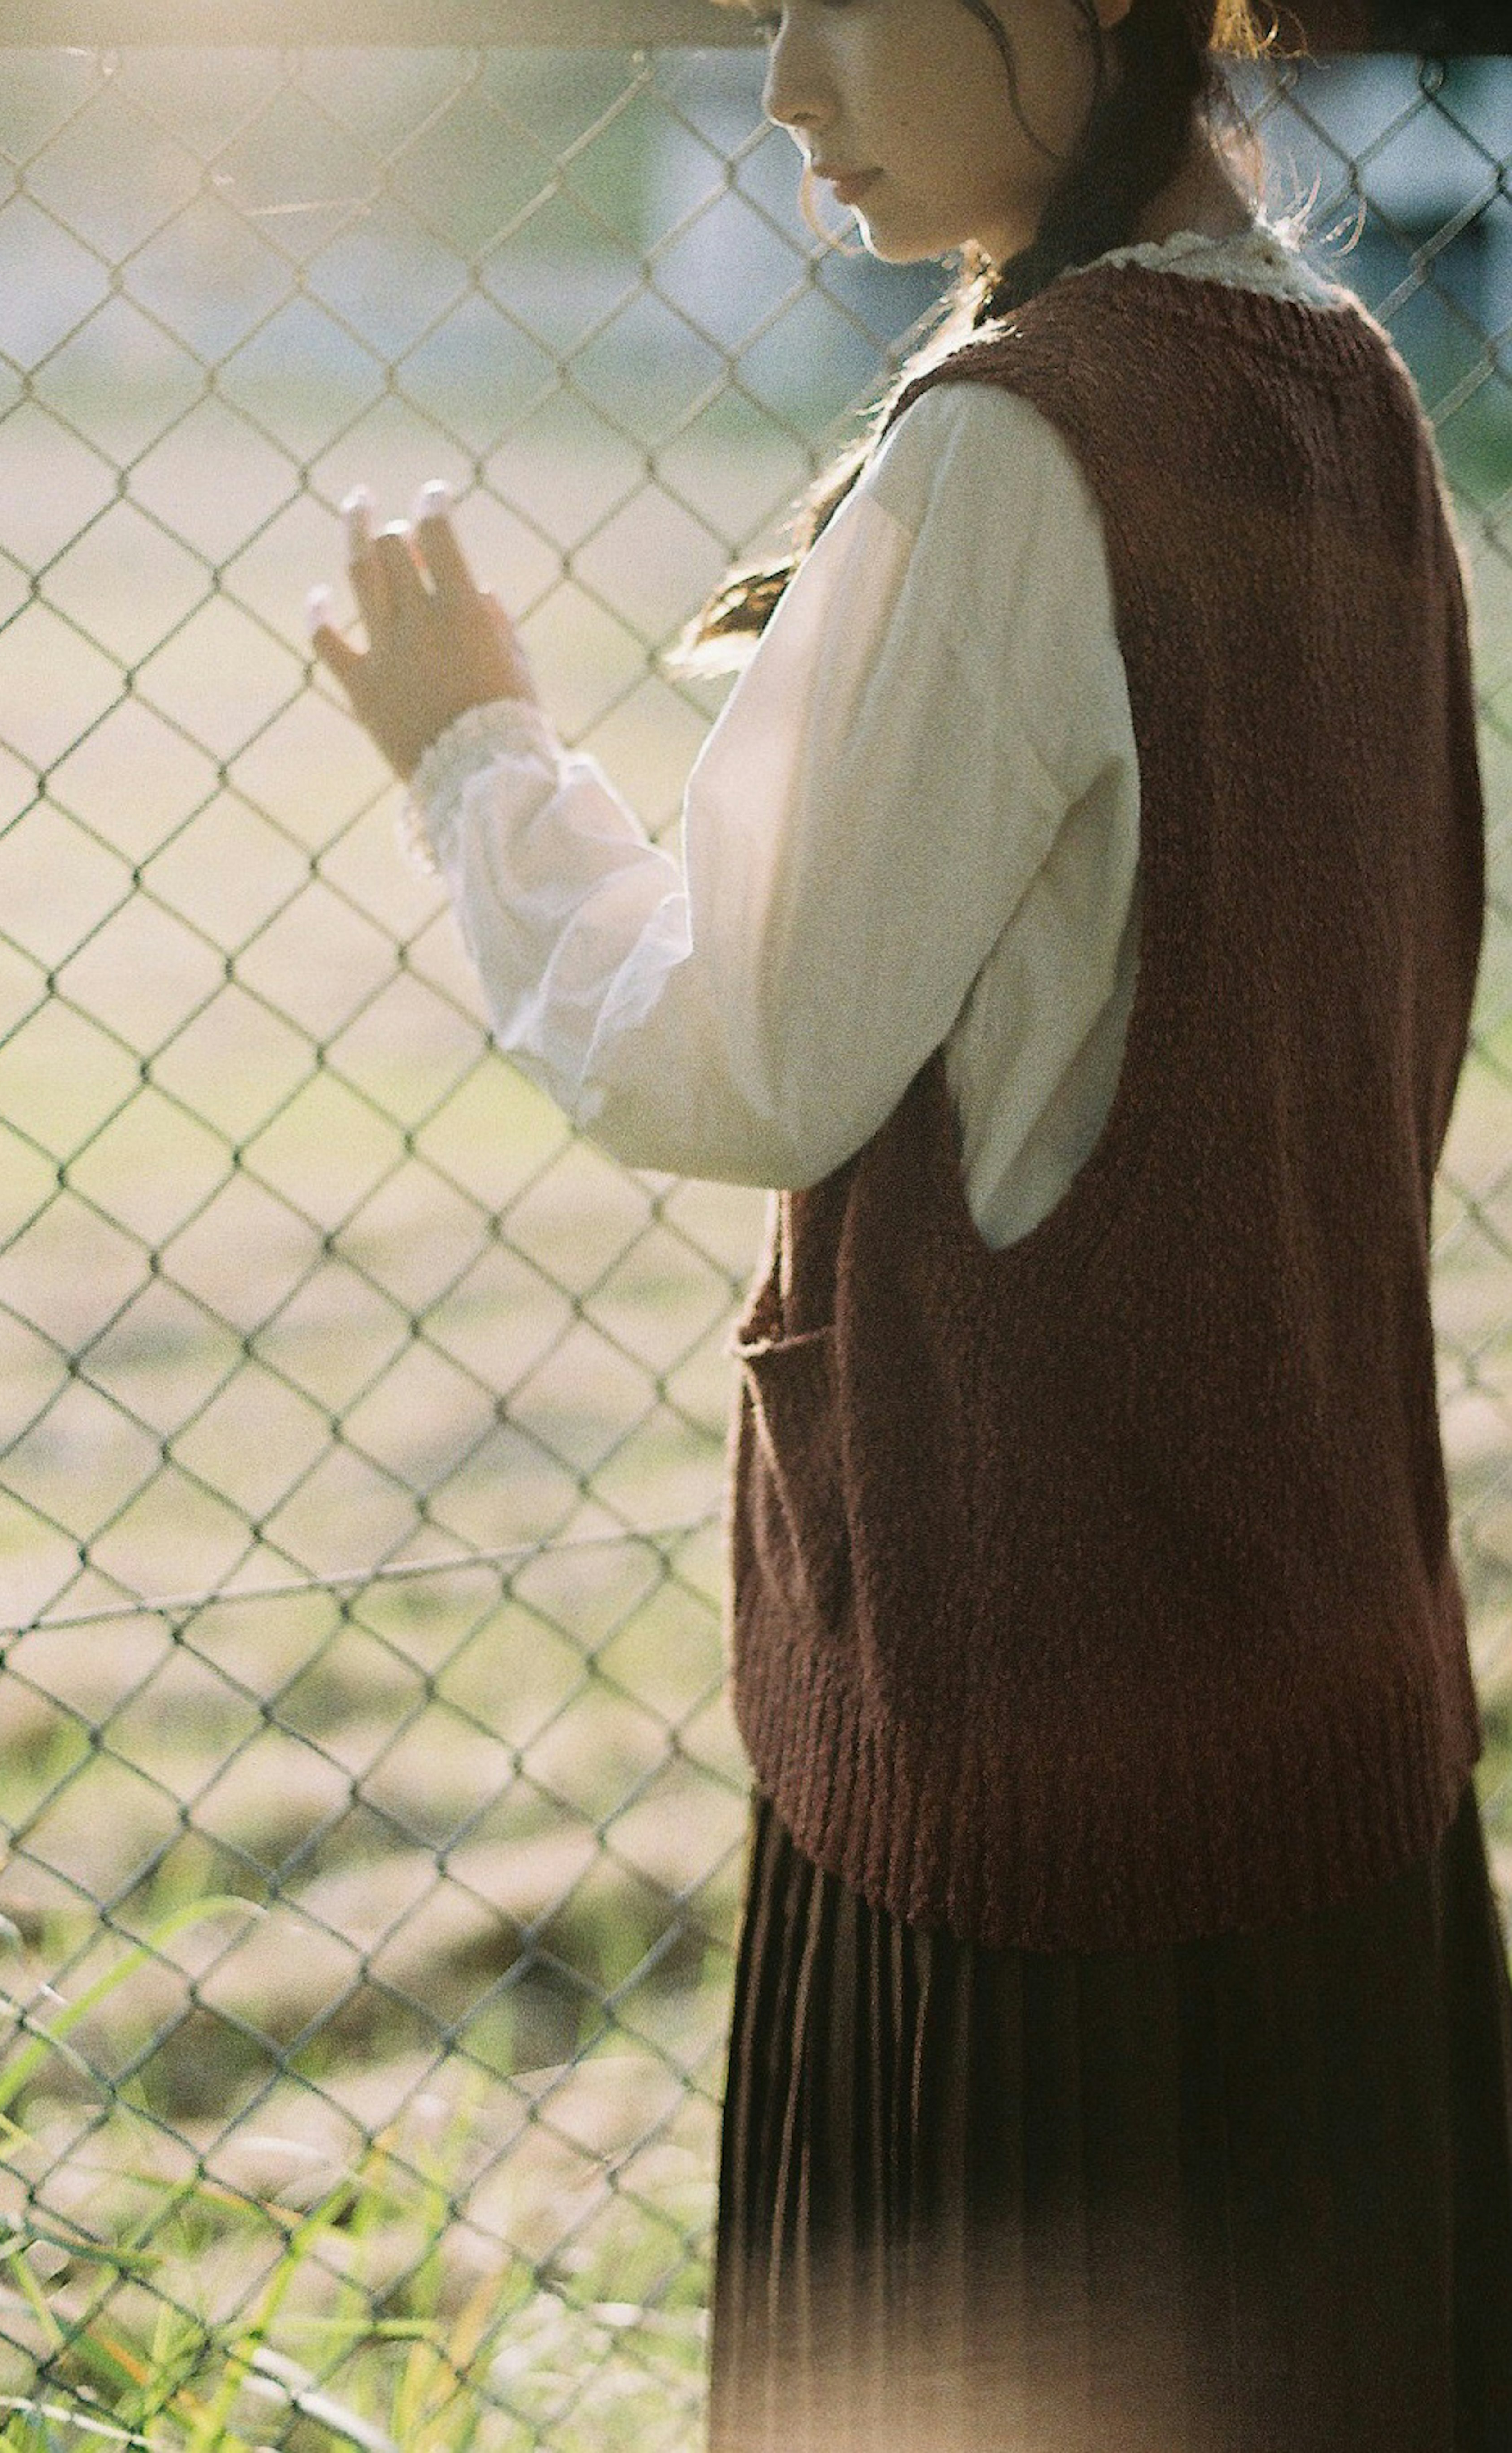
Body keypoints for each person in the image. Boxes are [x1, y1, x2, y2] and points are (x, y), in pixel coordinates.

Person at [308, 0, 1512, 2443]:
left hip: (1040, 1806)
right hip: (1331, 1730)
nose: (780, 86)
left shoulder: (1011, 452)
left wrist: (480, 765)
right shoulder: (1353, 392)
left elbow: (735, 1048)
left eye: (840, 2)